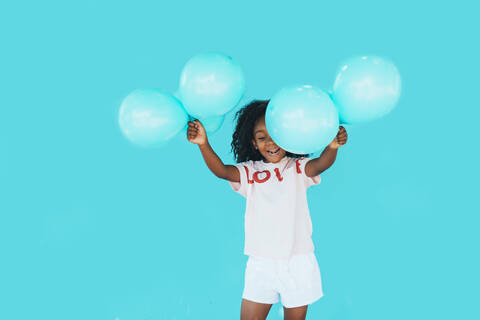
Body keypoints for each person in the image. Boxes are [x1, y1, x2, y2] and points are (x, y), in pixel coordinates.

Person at [187, 100, 348, 320]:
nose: (270, 142)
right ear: (254, 143)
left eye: (275, 134)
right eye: (262, 137)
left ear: (288, 135)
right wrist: (203, 144)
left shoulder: (298, 167)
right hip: (261, 262)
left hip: (298, 262)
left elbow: (320, 165)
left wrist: (332, 148)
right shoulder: (250, 172)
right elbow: (223, 171)